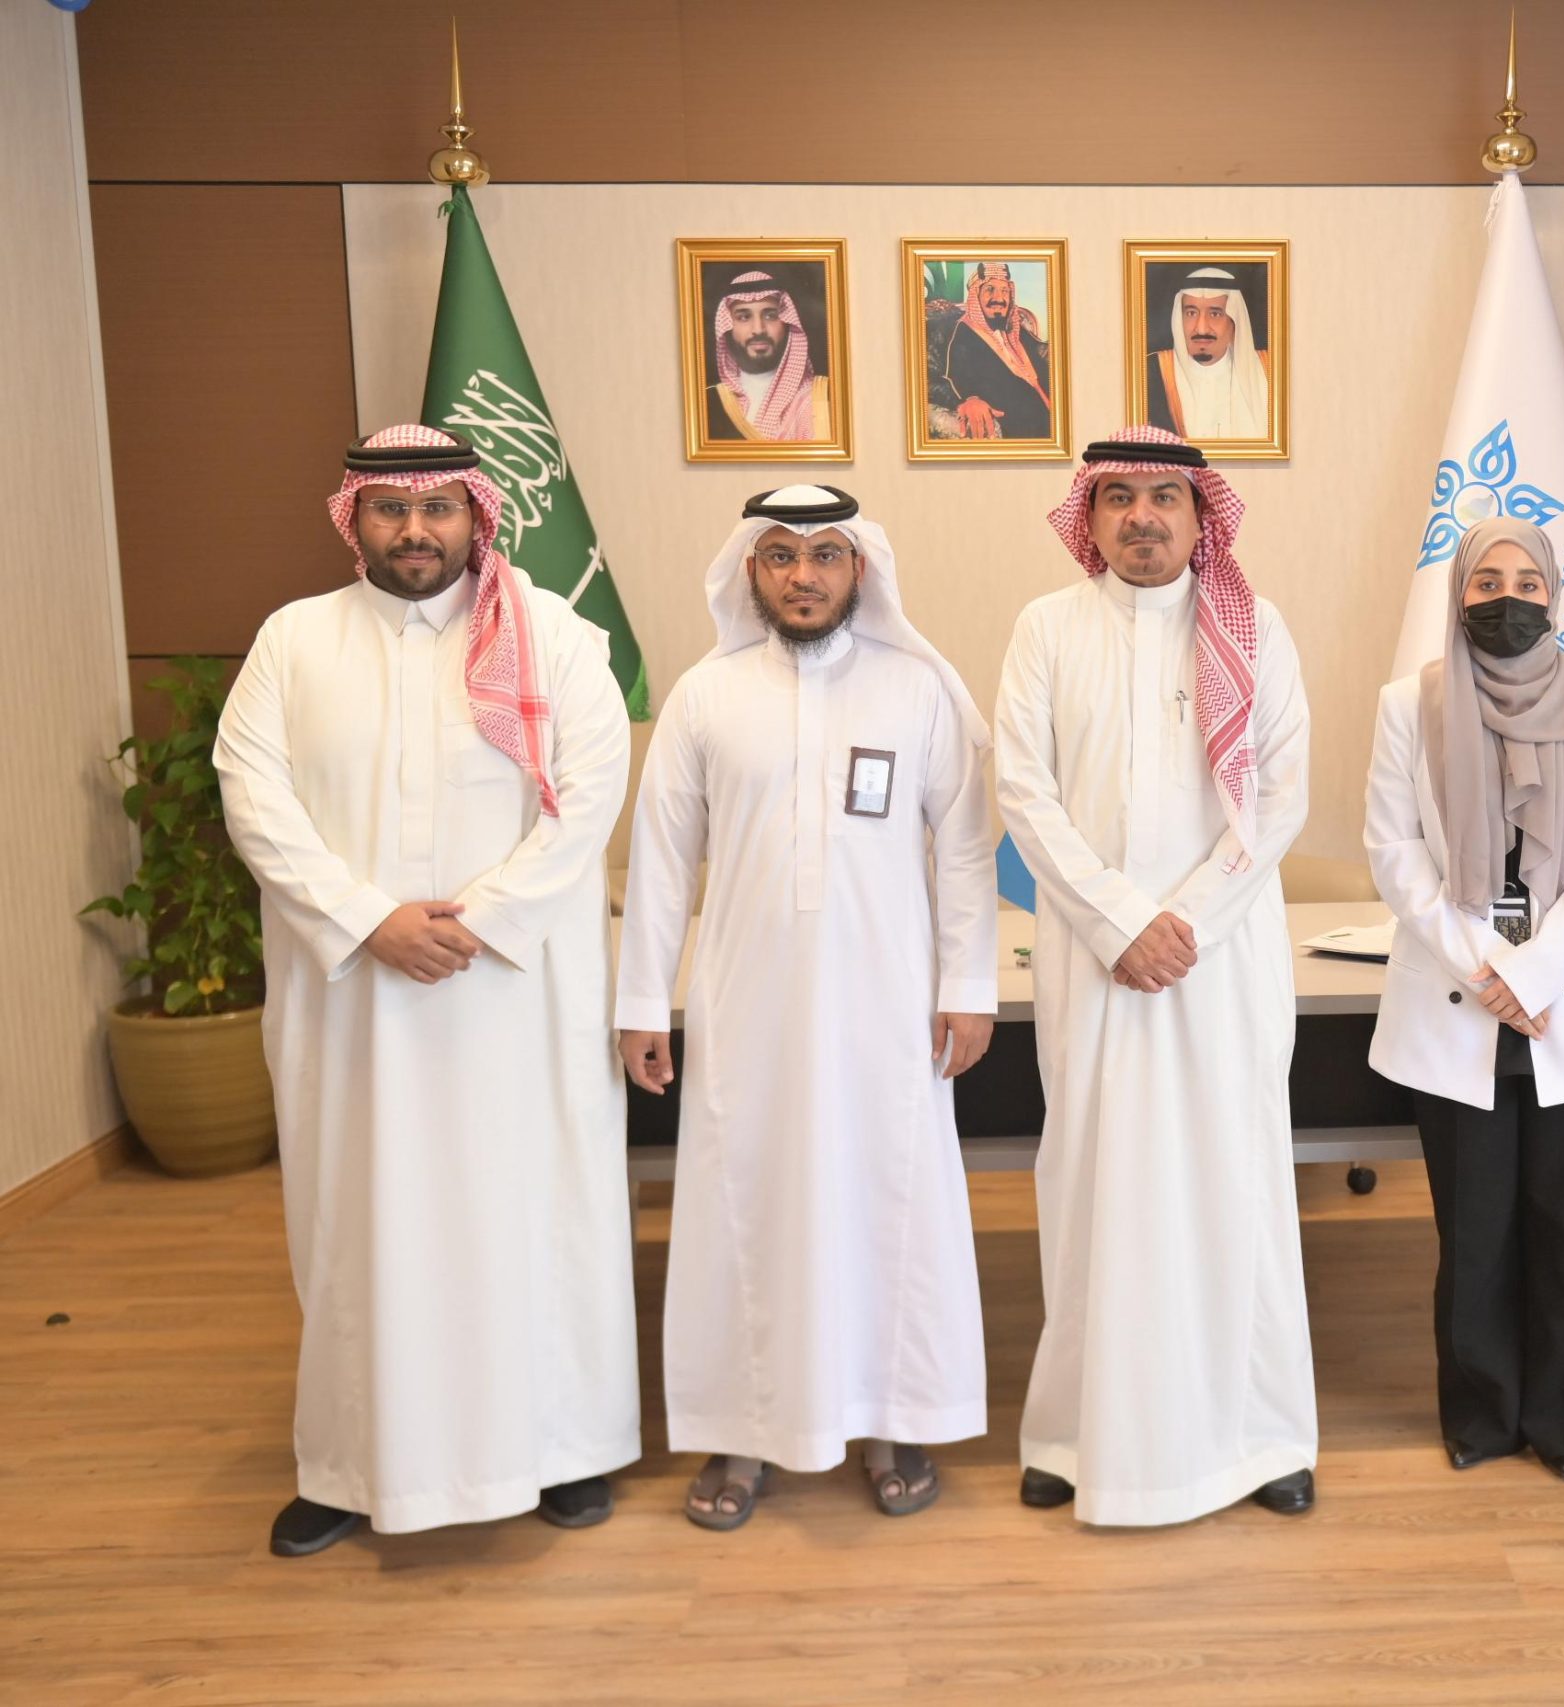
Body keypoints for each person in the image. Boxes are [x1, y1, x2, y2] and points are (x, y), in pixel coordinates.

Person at [213, 425, 636, 1555]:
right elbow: (252, 797)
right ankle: (353, 1464)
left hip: (513, 998)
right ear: (354, 518)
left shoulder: (555, 638)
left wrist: (479, 920)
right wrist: (370, 919)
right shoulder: (294, 640)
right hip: (355, 996)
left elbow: (590, 795)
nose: (415, 530)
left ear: (475, 515)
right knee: (358, 1226)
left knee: (534, 1215)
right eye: (391, 509)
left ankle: (561, 1449)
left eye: (437, 507)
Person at [616, 484, 998, 1530]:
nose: (803, 575)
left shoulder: (918, 691)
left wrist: (968, 987)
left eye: (825, 555)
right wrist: (644, 1001)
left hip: (890, 1006)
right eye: (781, 555)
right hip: (746, 1010)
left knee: (889, 1201)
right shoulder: (705, 696)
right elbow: (660, 862)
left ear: (859, 568)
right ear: (751, 568)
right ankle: (741, 1434)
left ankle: (891, 1419)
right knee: (746, 1204)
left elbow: (967, 851)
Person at [993, 424, 1317, 1525]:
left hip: (1220, 963)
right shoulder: (1045, 628)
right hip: (1094, 963)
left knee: (1235, 1182)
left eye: (1163, 497)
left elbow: (1280, 798)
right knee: (1091, 1184)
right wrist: (1122, 922)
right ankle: (1071, 1434)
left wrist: (1183, 922)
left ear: (1198, 514)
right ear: (1088, 516)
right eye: (1118, 496)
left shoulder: (1258, 630)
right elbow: (1024, 795)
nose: (1141, 516)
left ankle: (1261, 1435)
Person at [1363, 518, 1564, 1480]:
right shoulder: (1407, 705)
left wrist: (1533, 974)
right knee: (1476, 1227)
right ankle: (1482, 1416)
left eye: (1527, 582)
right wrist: (1487, 966)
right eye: (1486, 581)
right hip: (1457, 997)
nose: (1507, 599)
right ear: (1458, 594)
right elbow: (1394, 852)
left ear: (1555, 596)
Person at [930, 262, 1053, 441]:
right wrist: (971, 399)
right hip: (1021, 425)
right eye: (990, 289)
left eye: (1005, 291)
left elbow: (1041, 352)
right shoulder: (964, 333)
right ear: (976, 296)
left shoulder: (1014, 329)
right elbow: (960, 374)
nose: (999, 298)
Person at [1144, 267, 1271, 440]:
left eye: (1215, 314)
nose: (1201, 328)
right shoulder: (1151, 372)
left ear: (1234, 321)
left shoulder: (1268, 370)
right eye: (1191, 313)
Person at [705, 269, 831, 442]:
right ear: (727, 326)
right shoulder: (710, 402)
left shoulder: (816, 400)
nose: (758, 329)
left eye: (770, 316)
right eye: (744, 317)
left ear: (787, 323)